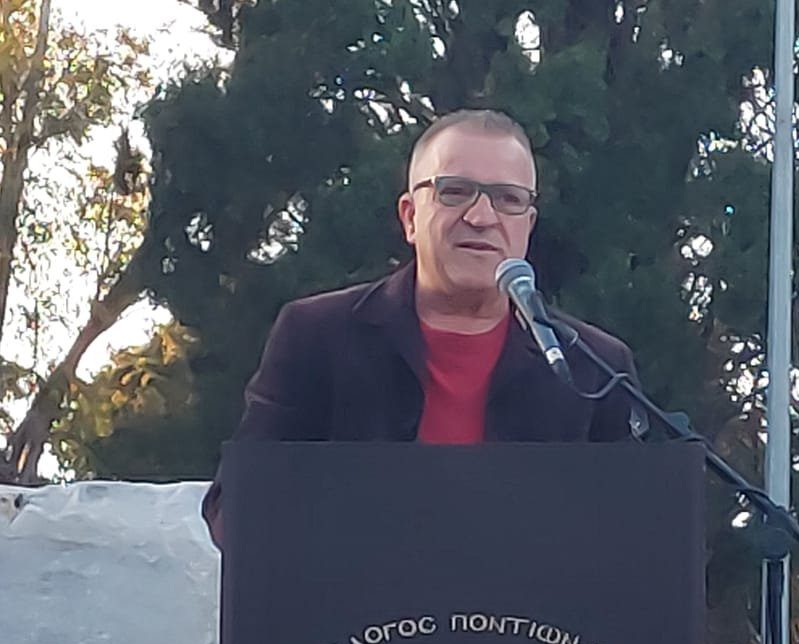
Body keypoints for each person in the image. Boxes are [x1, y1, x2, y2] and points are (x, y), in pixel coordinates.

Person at [201, 109, 644, 547]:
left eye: (508, 199)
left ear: (527, 225)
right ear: (410, 217)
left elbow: (631, 535)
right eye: (455, 192)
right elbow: (235, 512)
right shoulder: (317, 336)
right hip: (358, 591)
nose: (482, 216)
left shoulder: (595, 367)